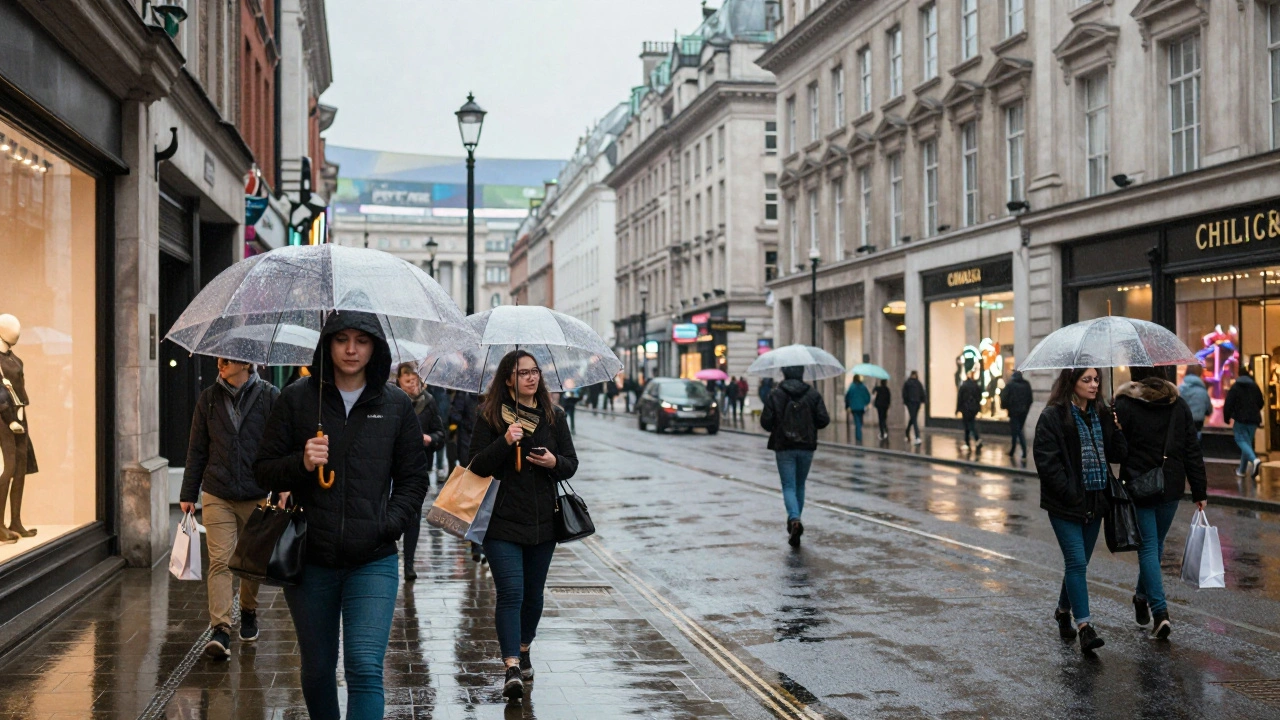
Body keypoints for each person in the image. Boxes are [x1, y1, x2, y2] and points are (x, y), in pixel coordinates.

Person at [254, 312, 430, 720]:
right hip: (310, 558)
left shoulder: (396, 405)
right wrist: (301, 461)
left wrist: (388, 524)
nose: (351, 350)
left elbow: (413, 480)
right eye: (342, 340)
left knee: (365, 667)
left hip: (373, 559)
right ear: (327, 344)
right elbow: (263, 468)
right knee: (317, 671)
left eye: (362, 341)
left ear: (375, 347)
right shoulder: (298, 398)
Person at [469, 350, 578, 701]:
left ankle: (525, 645)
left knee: (533, 595)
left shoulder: (554, 416)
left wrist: (552, 461)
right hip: (500, 522)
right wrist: (505, 441)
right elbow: (476, 466)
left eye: (535, 372)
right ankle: (512, 666)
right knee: (511, 593)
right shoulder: (489, 417)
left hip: (543, 522)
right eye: (523, 372)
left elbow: (571, 464)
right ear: (508, 379)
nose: (531, 378)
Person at [179, 357, 280, 660]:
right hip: (217, 492)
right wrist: (188, 491)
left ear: (247, 364)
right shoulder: (209, 399)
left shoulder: (270, 396)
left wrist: (284, 483)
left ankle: (248, 610)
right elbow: (197, 448)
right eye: (219, 358)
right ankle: (220, 629)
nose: (220, 363)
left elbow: (281, 444)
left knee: (250, 562)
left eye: (229, 359)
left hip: (257, 492)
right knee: (221, 561)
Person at [1033, 367, 1127, 653]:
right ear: (1071, 383)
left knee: (1078, 564)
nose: (1094, 384)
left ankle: (1063, 610)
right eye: (1086, 379)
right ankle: (1085, 626)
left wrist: (1116, 427)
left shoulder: (1100, 415)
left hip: (1095, 501)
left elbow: (1118, 455)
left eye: (1096, 379)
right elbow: (1046, 462)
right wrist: (1069, 491)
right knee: (1075, 562)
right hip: (1065, 504)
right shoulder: (1053, 417)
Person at [1114, 370, 1207, 640]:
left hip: (1139, 485)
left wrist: (1114, 423)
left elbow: (1116, 450)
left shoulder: (1125, 404)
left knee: (1150, 548)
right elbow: (1192, 449)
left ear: (1136, 376)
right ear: (1164, 374)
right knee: (1154, 546)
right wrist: (1199, 490)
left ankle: (1151, 605)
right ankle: (1156, 608)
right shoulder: (1178, 404)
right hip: (1171, 485)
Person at [760, 366, 830, 548]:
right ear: (802, 373)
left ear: (784, 373)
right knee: (800, 484)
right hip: (806, 446)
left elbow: (766, 423)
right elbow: (824, 420)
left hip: (784, 446)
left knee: (788, 485)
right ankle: (796, 519)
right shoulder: (813, 394)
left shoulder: (775, 394)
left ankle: (794, 519)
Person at [395, 363, 446, 582]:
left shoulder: (429, 402)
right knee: (394, 515)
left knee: (414, 517)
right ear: (399, 381)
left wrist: (430, 439)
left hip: (418, 468)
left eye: (415, 380)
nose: (413, 385)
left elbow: (440, 433)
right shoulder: (394, 401)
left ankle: (409, 564)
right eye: (408, 381)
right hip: (393, 468)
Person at [1223, 364, 1265, 478]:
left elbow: (1228, 404)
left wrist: (1227, 418)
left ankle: (1255, 460)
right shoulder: (1255, 387)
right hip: (1254, 420)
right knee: (1247, 444)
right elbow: (1261, 402)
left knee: (1240, 439)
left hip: (1241, 419)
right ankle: (1242, 470)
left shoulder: (1236, 387)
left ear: (1239, 375)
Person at [1001, 370, 1034, 460]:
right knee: (1016, 431)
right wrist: (1026, 408)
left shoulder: (1011, 385)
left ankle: (1023, 450)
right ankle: (1013, 450)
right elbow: (1030, 399)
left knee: (1017, 430)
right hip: (1023, 411)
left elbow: (1004, 398)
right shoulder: (1026, 384)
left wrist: (1006, 407)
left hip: (1014, 412)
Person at [1178, 364, 1211, 439]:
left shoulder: (1179, 389)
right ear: (1200, 373)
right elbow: (1209, 410)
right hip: (1197, 423)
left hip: (1182, 422)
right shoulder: (1203, 391)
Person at [956, 371, 983, 451]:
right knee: (971, 423)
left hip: (965, 408)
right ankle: (974, 440)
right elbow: (979, 397)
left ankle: (970, 442)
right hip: (974, 408)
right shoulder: (976, 385)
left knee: (968, 425)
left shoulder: (964, 386)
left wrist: (957, 409)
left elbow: (960, 398)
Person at [844, 375, 870, 443]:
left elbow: (847, 396)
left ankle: (858, 436)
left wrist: (847, 405)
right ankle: (859, 435)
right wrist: (866, 402)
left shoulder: (851, 387)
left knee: (857, 421)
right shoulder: (863, 387)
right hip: (861, 407)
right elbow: (867, 396)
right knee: (860, 421)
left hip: (854, 407)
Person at [902, 371, 926, 446]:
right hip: (914, 402)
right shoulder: (913, 383)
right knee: (914, 419)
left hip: (913, 402)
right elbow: (922, 392)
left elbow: (922, 392)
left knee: (913, 418)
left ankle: (907, 431)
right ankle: (917, 436)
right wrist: (923, 400)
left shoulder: (912, 383)